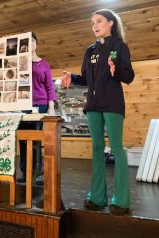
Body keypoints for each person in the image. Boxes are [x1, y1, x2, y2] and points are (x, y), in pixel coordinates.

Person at [61, 9, 134, 215]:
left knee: (117, 148)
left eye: (99, 21)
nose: (95, 25)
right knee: (96, 148)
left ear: (110, 23)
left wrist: (116, 71)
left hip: (112, 104)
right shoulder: (90, 50)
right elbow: (86, 79)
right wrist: (73, 78)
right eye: (92, 22)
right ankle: (97, 196)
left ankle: (121, 200)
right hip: (92, 105)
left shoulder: (119, 46)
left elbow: (129, 76)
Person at [17, 32, 56, 186]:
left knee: (36, 141)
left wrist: (51, 107)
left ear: (36, 44)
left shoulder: (43, 63)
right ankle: (25, 174)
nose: (30, 44)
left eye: (32, 41)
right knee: (23, 141)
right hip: (22, 105)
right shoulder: (20, 62)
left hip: (40, 105)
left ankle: (37, 174)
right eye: (27, 42)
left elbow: (49, 86)